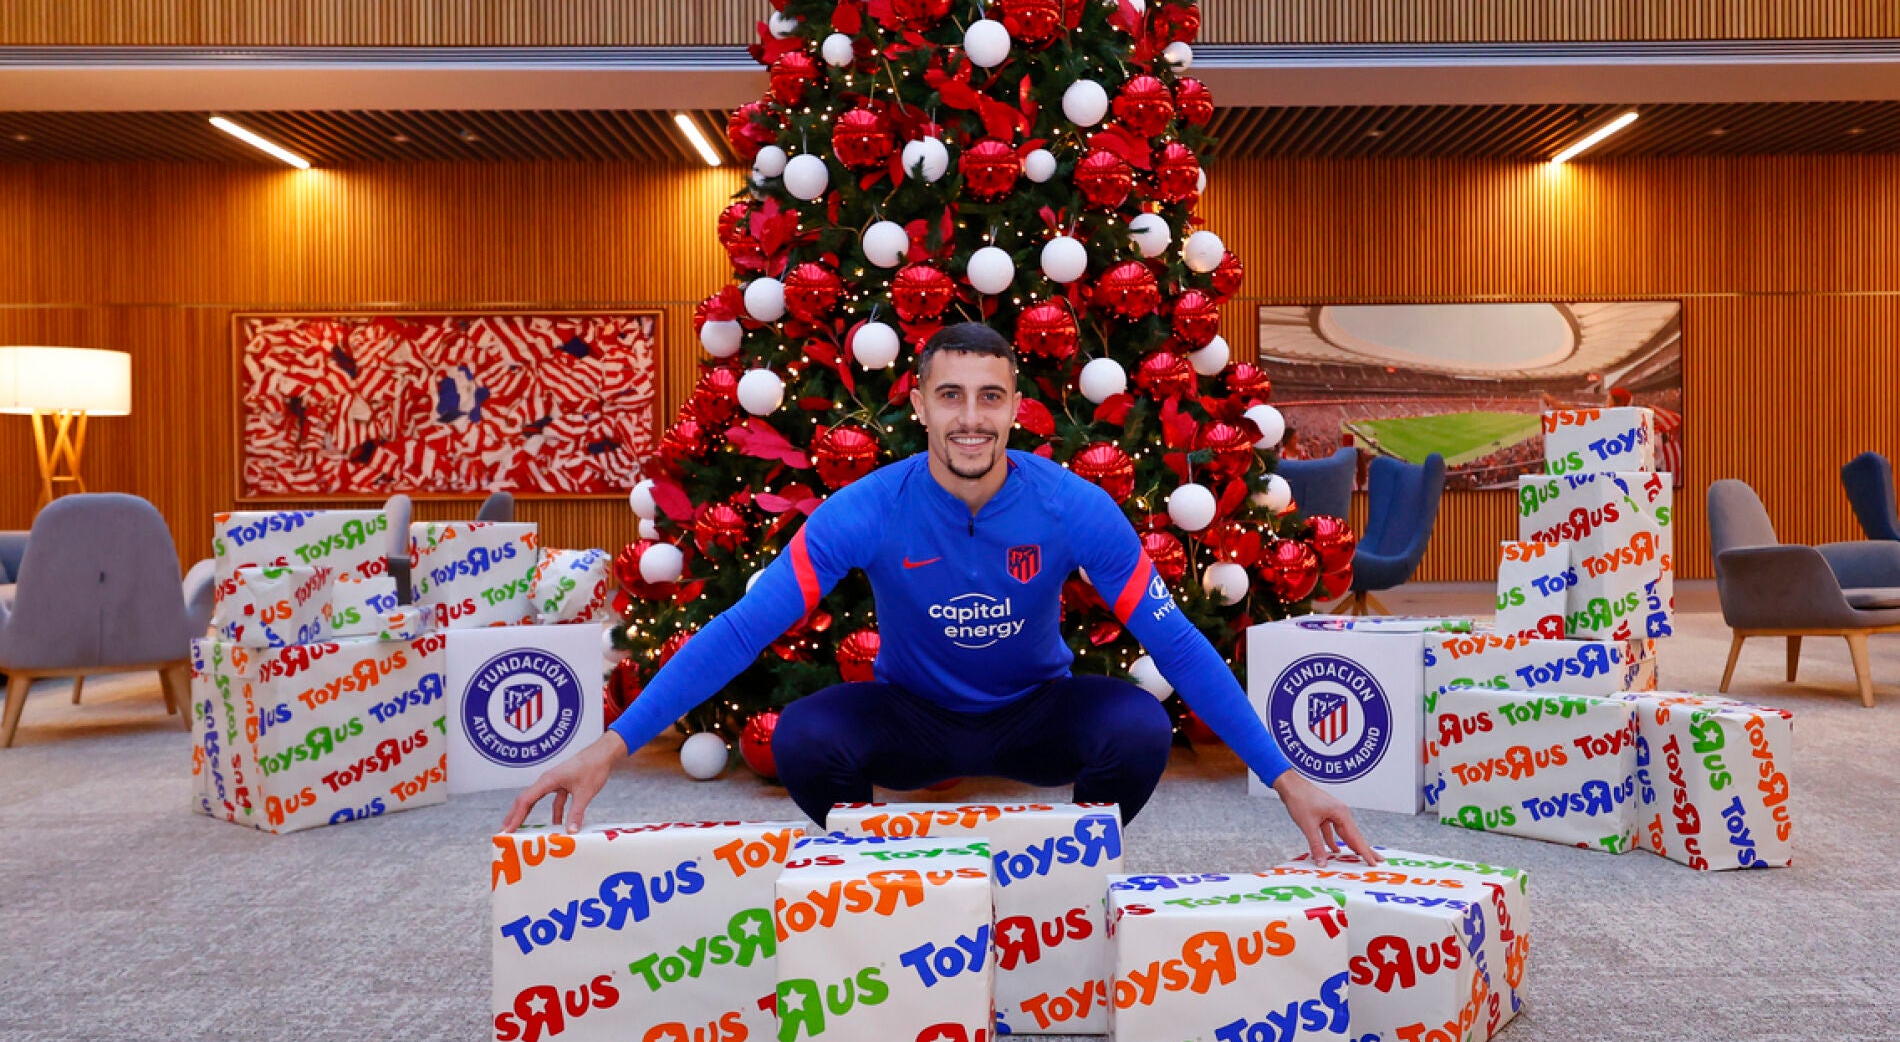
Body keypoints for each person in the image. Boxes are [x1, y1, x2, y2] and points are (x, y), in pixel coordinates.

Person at [503, 322, 1379, 861]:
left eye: (990, 398)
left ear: (1015, 409)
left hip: (1036, 711)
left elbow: (1176, 641)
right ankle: (881, 879)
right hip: (912, 718)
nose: (970, 416)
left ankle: (1065, 874)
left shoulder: (1072, 506)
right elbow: (742, 630)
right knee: (803, 737)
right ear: (918, 405)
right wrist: (612, 746)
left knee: (1139, 727)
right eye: (950, 395)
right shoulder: (866, 509)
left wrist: (1287, 777)